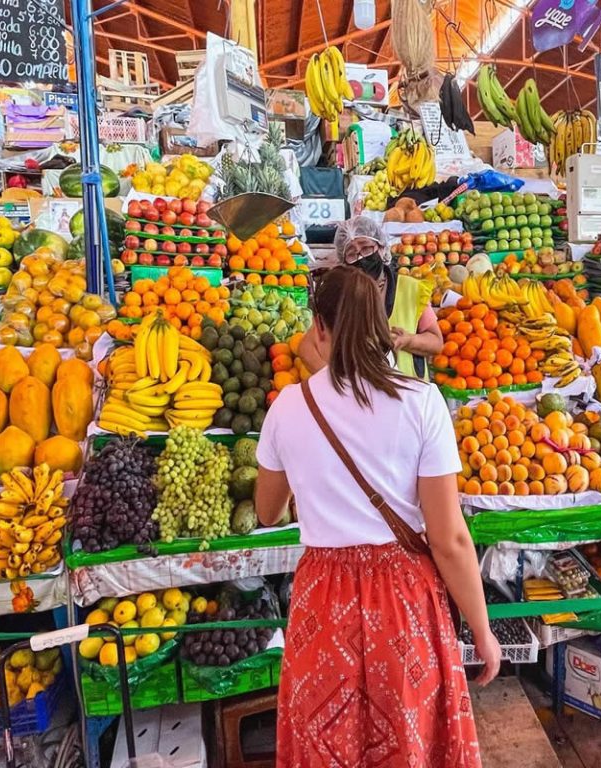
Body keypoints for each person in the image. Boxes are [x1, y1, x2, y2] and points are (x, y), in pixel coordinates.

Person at [255, 265, 500, 767]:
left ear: (318, 327)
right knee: (406, 738)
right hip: (404, 600)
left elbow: (266, 510)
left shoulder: (287, 408)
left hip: (322, 600)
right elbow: (449, 538)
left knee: (328, 741)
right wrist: (482, 628)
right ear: (381, 324)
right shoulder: (422, 402)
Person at [330, 215, 443, 379]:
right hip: (365, 394)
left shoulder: (411, 288)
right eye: (352, 254)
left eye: (366, 248)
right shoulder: (343, 299)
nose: (361, 258)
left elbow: (436, 342)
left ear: (381, 248)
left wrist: (408, 340)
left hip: (411, 394)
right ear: (344, 262)